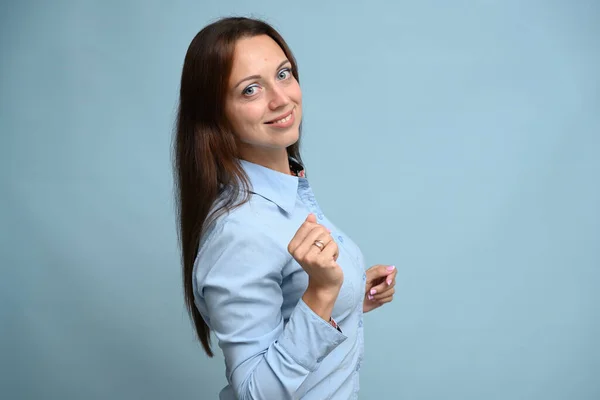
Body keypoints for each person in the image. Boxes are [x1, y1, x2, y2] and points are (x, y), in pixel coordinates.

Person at [174, 16, 398, 399]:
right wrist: (322, 294)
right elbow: (254, 393)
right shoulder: (238, 232)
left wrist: (347, 298)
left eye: (283, 74)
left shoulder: (287, 191)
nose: (281, 99)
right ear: (215, 114)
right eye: (250, 90)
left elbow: (289, 319)